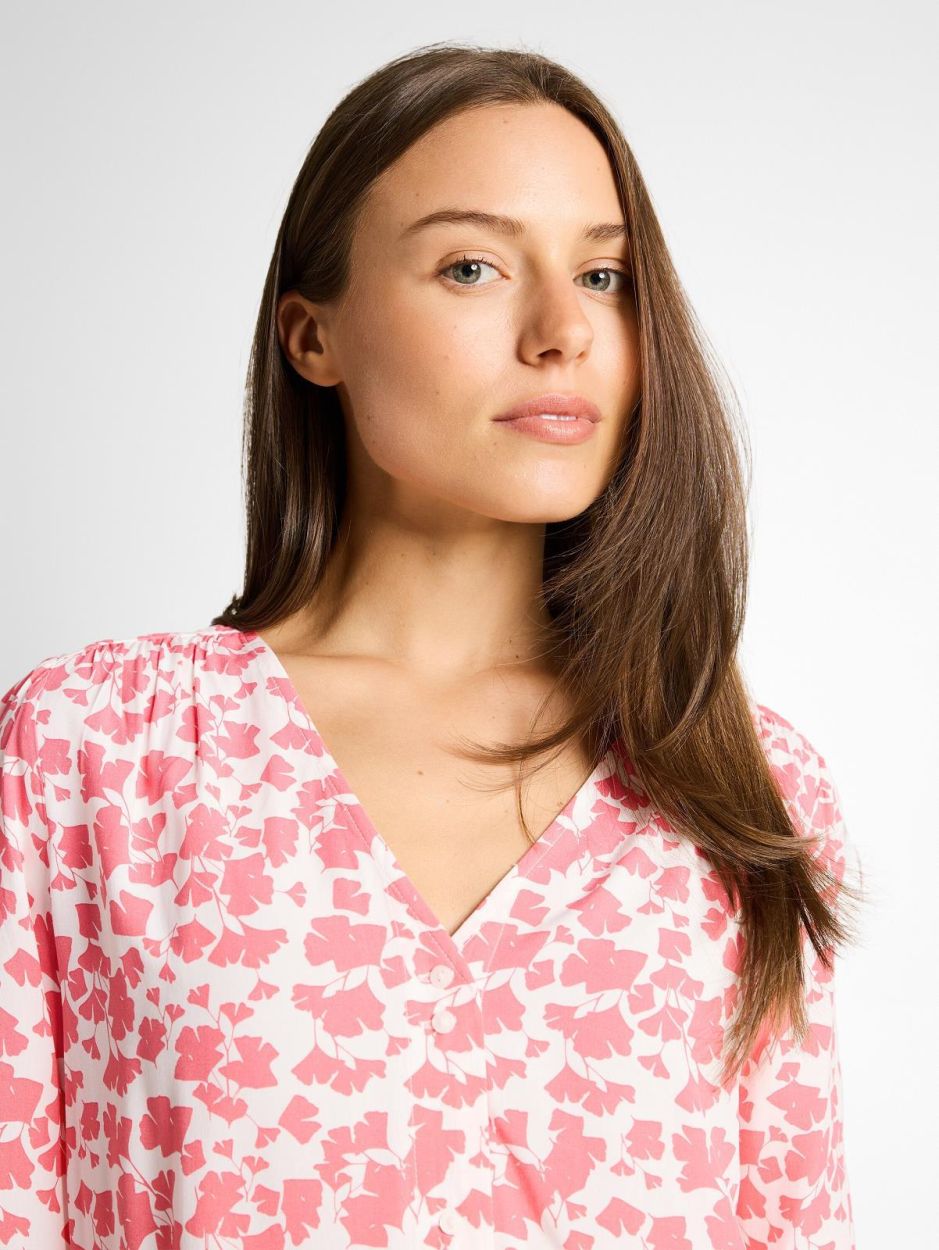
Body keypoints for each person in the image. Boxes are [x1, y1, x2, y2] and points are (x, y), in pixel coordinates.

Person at [0, 42, 866, 1250]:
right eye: (472, 267)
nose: (563, 330)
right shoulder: (95, 754)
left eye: (605, 275)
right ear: (313, 336)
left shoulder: (739, 782)